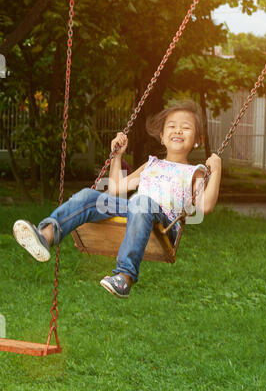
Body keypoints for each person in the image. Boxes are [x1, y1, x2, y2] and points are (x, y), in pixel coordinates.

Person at [13, 100, 221, 299]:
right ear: (161, 136)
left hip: (165, 224)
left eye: (185, 128)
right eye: (172, 126)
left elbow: (205, 206)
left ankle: (124, 276)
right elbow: (114, 189)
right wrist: (117, 157)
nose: (177, 131)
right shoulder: (151, 165)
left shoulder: (195, 172)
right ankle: (46, 235)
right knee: (90, 196)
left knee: (141, 201)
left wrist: (217, 169)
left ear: (198, 140)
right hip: (137, 210)